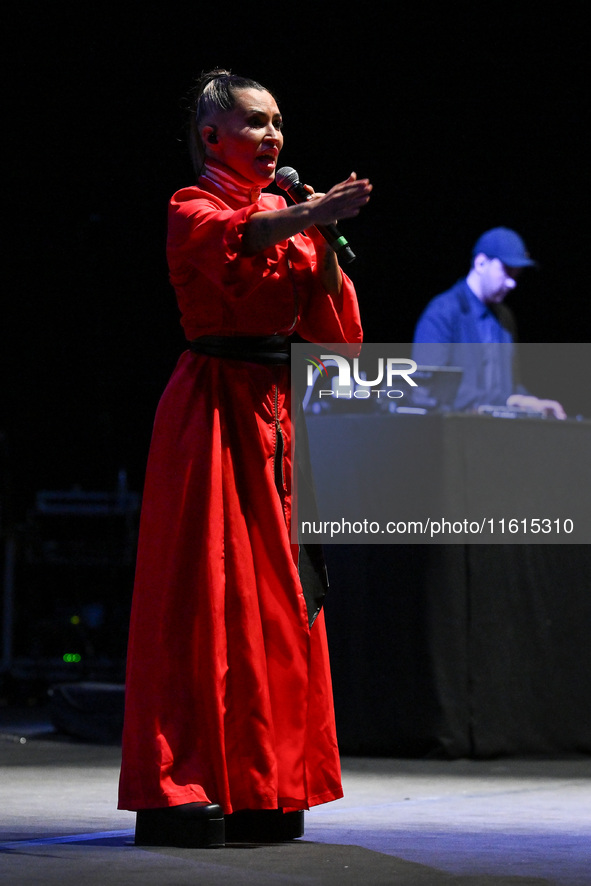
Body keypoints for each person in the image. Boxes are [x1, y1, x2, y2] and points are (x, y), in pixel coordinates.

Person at [117, 69, 372, 848]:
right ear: (211, 135)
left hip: (273, 414)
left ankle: (267, 782)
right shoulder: (190, 205)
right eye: (256, 123)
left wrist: (324, 239)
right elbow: (241, 241)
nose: (272, 137)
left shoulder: (287, 213)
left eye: (277, 123)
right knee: (203, 593)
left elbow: (336, 336)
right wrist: (307, 212)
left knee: (274, 602)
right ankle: (180, 785)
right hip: (210, 412)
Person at [412, 227, 566, 418]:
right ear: (481, 263)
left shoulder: (505, 318)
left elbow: (508, 386)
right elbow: (431, 386)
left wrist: (534, 404)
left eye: (516, 274)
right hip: (456, 435)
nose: (512, 283)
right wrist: (509, 402)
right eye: (506, 271)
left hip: (499, 435)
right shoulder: (443, 312)